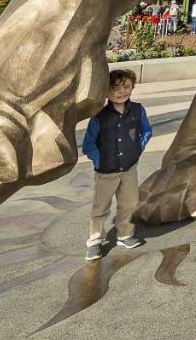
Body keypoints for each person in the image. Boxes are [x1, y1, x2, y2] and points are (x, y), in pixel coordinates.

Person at [82, 69, 152, 261]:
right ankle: (95, 241)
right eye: (116, 88)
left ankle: (124, 234)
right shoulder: (99, 117)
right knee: (100, 207)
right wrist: (99, 159)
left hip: (129, 169)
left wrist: (138, 148)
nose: (122, 92)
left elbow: (146, 130)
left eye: (127, 87)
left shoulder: (138, 110)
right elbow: (88, 144)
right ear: (105, 91)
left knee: (129, 203)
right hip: (106, 172)